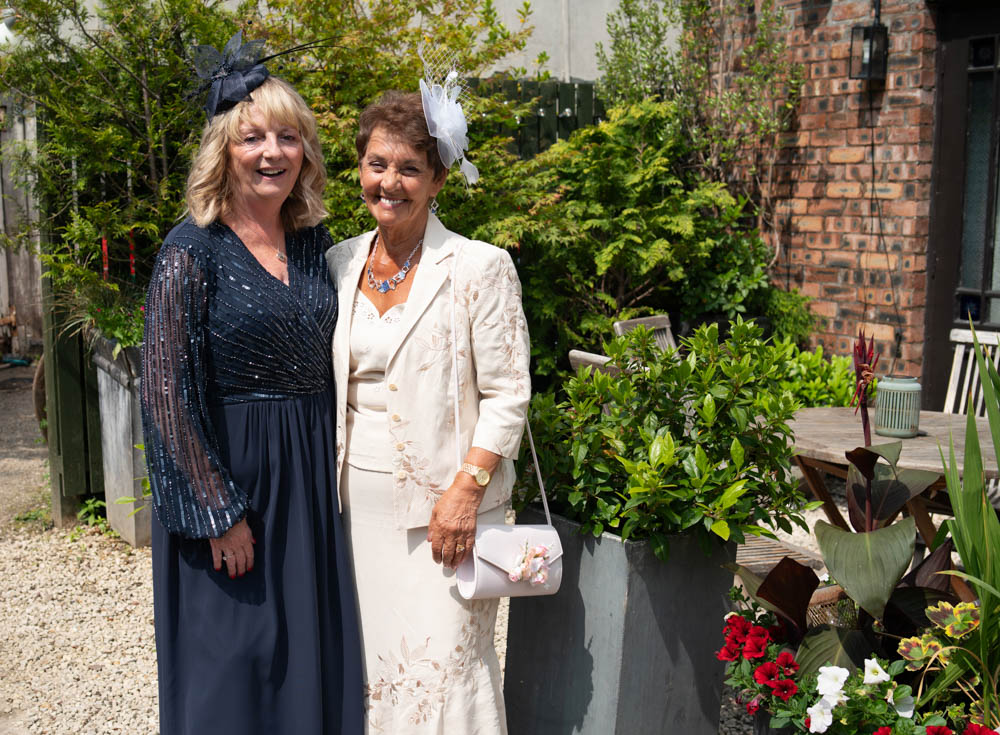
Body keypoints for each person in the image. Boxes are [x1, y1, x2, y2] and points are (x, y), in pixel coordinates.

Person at [140, 33, 362, 735]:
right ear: (223, 151)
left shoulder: (314, 245)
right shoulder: (190, 251)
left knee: (308, 666)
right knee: (232, 673)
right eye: (253, 138)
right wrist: (216, 511)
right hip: (234, 484)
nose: (273, 153)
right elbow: (166, 395)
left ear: (306, 152)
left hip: (309, 483)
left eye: (288, 137)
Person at [325, 81, 531, 733]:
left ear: (438, 178)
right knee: (372, 670)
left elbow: (508, 394)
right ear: (360, 170)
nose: (390, 182)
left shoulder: (479, 267)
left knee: (445, 672)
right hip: (355, 512)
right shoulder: (337, 263)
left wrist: (467, 490)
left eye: (410, 168)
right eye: (377, 164)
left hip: (449, 513)